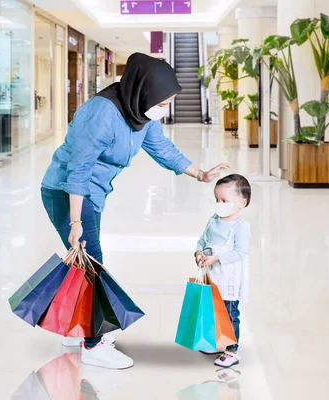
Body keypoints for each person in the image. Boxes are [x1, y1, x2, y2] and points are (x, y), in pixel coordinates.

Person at [41, 53, 230, 370]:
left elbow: (162, 149)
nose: (165, 109)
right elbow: (77, 172)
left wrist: (201, 174)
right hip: (68, 192)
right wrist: (75, 221)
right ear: (143, 93)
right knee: (93, 266)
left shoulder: (140, 113)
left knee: (85, 265)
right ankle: (94, 343)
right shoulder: (100, 115)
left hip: (93, 192)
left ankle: (77, 330)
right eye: (164, 103)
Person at [195, 174, 251, 368]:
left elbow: (240, 252)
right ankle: (219, 342)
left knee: (229, 311)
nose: (219, 204)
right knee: (213, 309)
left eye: (224, 200)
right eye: (217, 200)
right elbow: (202, 240)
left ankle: (231, 349)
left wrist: (218, 258)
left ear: (241, 203)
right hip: (212, 274)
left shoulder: (241, 227)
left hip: (229, 277)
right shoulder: (213, 220)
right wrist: (199, 252)